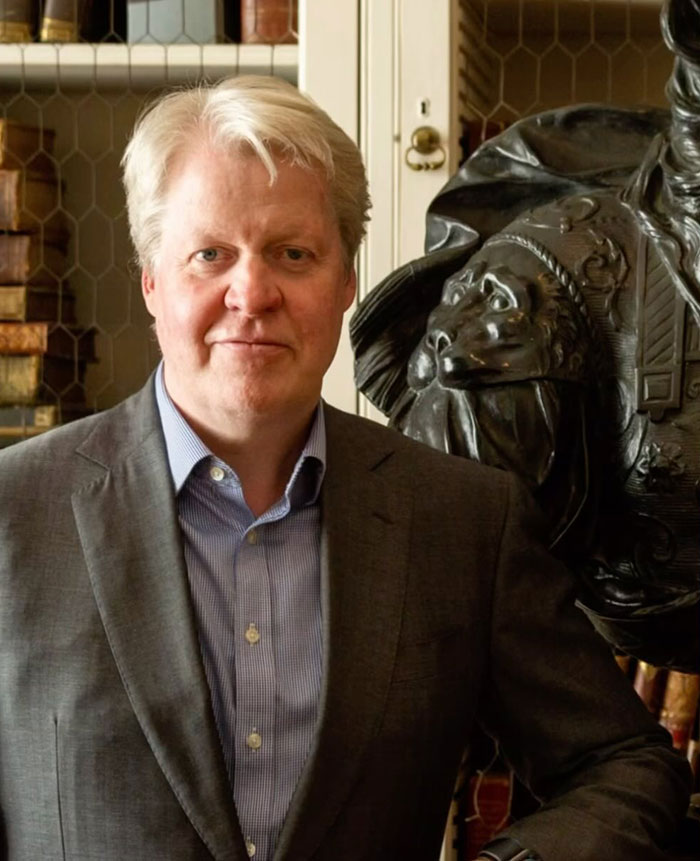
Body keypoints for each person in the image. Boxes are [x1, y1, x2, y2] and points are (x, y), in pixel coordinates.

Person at [0, 75, 690, 861]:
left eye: (293, 254)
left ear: (346, 285)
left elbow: (626, 765)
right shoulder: (13, 517)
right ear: (152, 280)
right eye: (210, 254)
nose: (252, 292)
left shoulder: (461, 523)